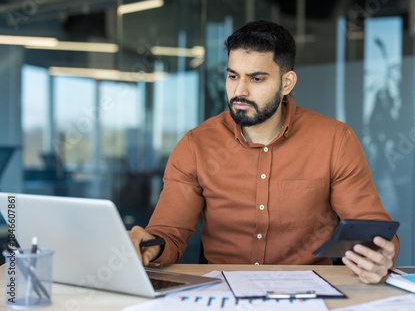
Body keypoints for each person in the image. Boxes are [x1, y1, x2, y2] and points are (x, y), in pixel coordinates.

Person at [129, 20, 400, 284]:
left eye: (256, 79)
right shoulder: (196, 145)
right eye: (233, 76)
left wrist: (380, 257)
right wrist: (150, 246)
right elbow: (169, 233)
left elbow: (371, 228)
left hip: (309, 293)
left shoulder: (334, 140)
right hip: (222, 295)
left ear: (287, 83)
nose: (239, 91)